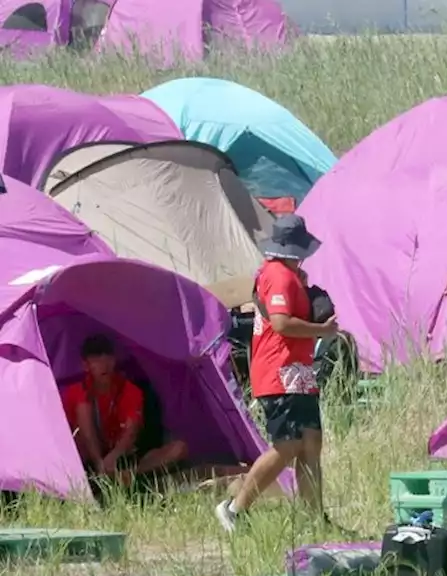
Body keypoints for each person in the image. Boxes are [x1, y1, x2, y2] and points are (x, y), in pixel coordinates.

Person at [215, 214, 340, 533]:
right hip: (279, 371)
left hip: (298, 371)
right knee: (287, 444)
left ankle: (314, 520)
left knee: (311, 442)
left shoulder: (289, 276)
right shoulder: (279, 277)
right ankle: (235, 508)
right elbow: (282, 323)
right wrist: (321, 329)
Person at [61, 334, 188, 504]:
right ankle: (97, 477)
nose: (103, 364)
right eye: (96, 359)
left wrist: (115, 455)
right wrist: (99, 462)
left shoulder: (130, 390)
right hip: (88, 458)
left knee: (179, 448)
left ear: (114, 360)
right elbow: (82, 431)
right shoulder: (77, 391)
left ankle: (126, 476)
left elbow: (131, 431)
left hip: (124, 458)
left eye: (107, 358)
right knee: (81, 414)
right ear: (86, 365)